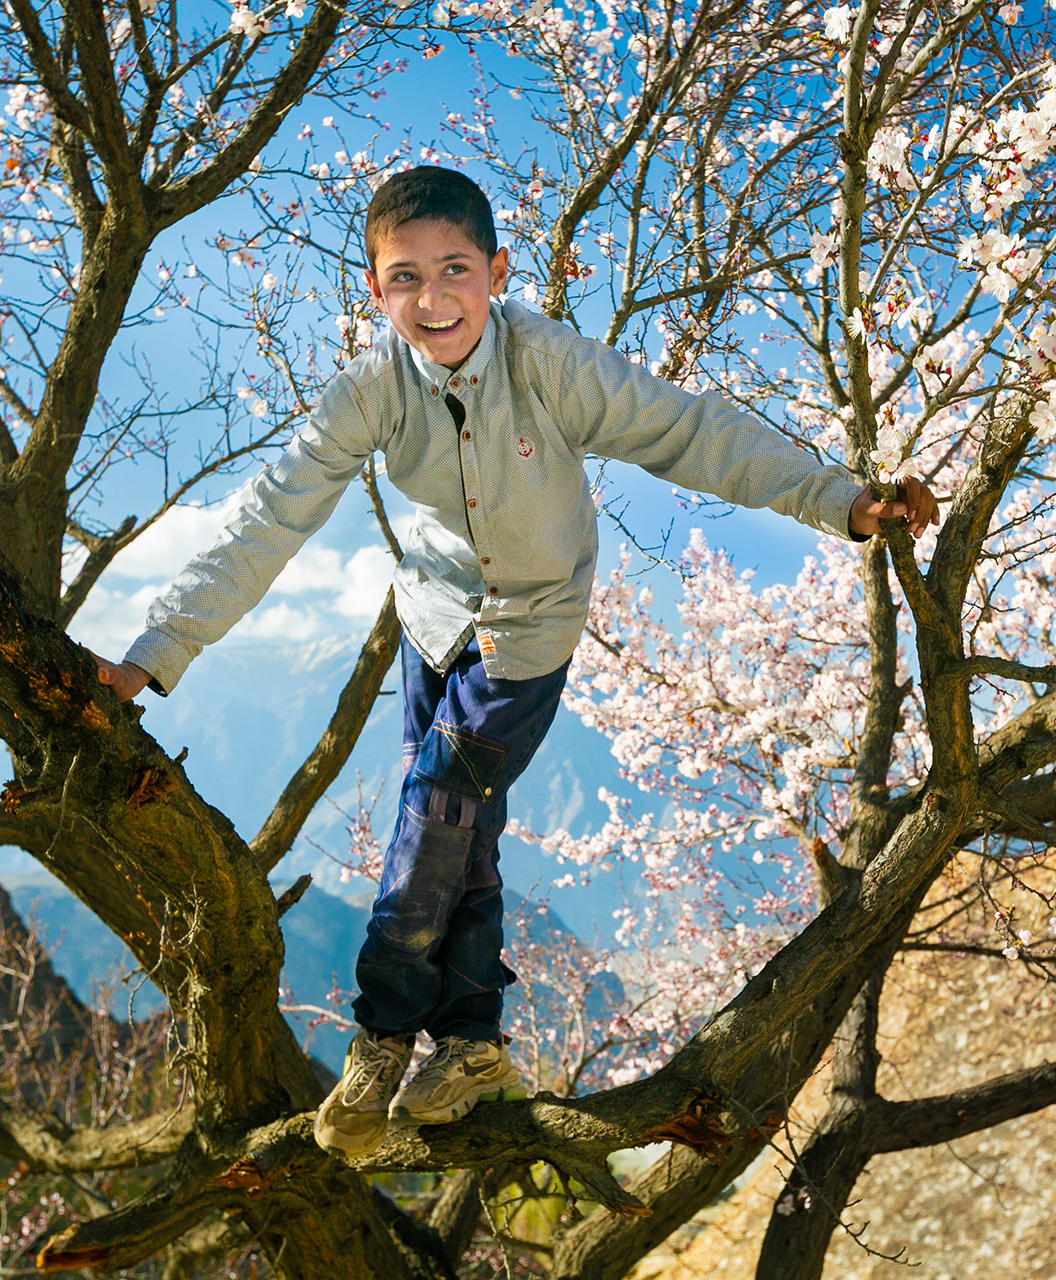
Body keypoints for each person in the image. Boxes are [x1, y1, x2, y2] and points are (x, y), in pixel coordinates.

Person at [92, 166, 938, 1158]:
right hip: (434, 620)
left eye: (456, 268)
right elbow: (266, 521)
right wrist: (151, 654)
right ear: (375, 290)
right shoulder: (369, 391)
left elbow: (691, 432)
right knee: (463, 832)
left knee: (438, 802)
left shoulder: (552, 366)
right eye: (404, 277)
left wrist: (838, 500)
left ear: (496, 271)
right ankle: (471, 1042)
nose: (432, 296)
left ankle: (381, 1031)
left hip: (531, 631)